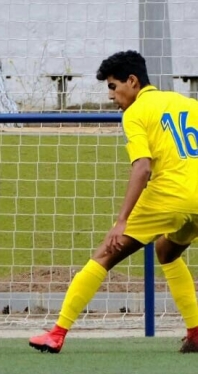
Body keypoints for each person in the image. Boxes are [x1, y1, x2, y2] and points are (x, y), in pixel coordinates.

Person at [29, 50, 198, 354]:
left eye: (112, 86)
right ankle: (196, 332)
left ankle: (57, 333)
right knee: (166, 249)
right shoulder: (188, 103)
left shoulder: (134, 113)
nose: (111, 96)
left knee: (105, 255)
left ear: (132, 81)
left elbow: (143, 167)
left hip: (169, 195)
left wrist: (121, 221)